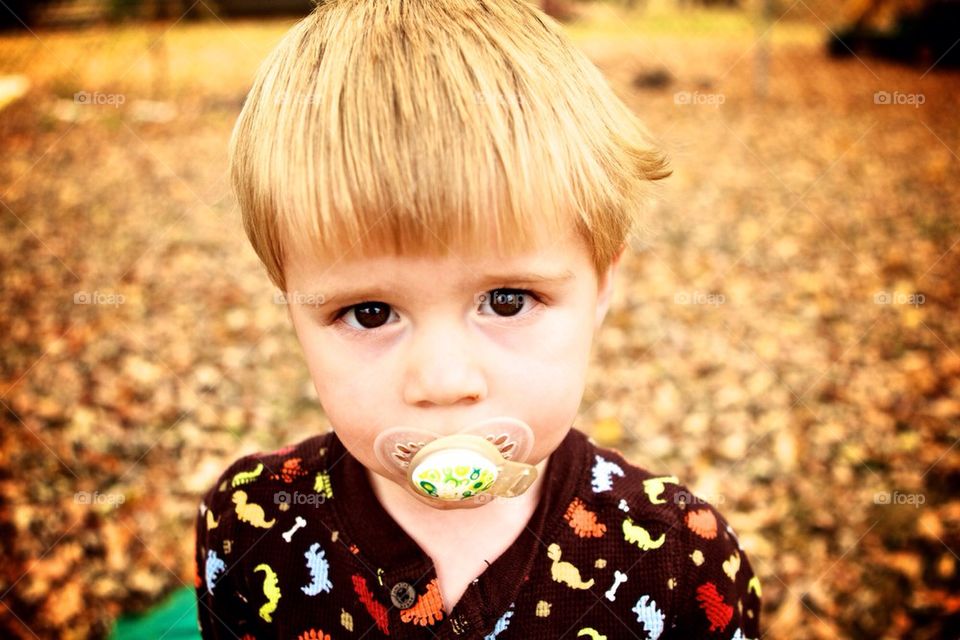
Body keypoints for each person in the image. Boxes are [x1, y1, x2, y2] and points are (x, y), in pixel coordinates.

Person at [194, 1, 761, 637]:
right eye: (370, 312)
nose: (442, 380)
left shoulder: (679, 557)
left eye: (508, 301)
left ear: (602, 283)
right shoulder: (251, 522)